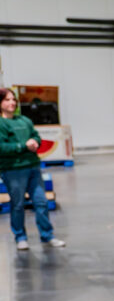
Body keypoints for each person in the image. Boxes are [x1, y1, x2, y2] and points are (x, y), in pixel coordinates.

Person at [0, 88, 65, 250]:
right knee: (17, 204)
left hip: (33, 167)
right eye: (7, 100)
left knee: (41, 202)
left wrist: (36, 142)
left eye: (13, 99)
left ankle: (47, 235)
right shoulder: (1, 124)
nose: (12, 102)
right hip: (13, 170)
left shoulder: (24, 120)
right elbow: (2, 147)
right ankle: (20, 237)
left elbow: (35, 135)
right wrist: (23, 146)